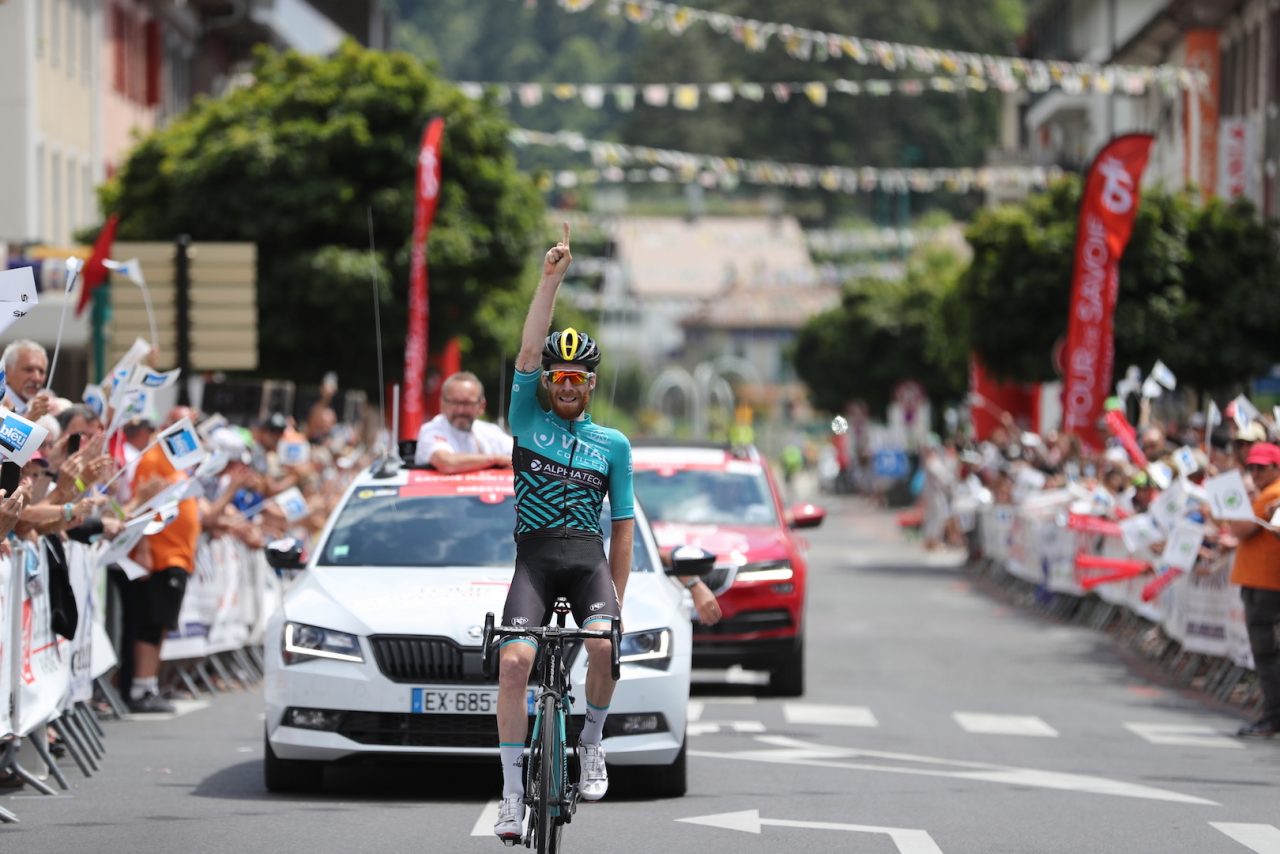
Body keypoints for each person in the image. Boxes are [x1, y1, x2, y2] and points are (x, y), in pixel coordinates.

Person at [493, 224, 634, 841]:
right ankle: (507, 793)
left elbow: (622, 527)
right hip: (535, 559)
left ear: (592, 384)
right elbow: (526, 351)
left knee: (602, 648)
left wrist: (618, 603)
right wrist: (549, 281)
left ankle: (592, 741)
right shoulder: (526, 416)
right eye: (560, 377)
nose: (568, 385)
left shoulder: (613, 445)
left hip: (588, 562)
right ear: (549, 383)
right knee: (514, 665)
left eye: (579, 378)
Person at [126, 407, 203, 713]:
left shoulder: (178, 460)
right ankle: (141, 688)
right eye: (180, 422)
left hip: (178, 555)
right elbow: (144, 503)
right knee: (151, 623)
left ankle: (150, 685)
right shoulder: (154, 456)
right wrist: (143, 548)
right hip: (161, 555)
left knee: (160, 625)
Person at [1224, 441, 1280, 737]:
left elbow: (1239, 529)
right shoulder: (1266, 495)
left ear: (1276, 468)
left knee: (1267, 654)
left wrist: (1238, 500)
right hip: (1261, 583)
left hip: (1266, 586)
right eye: (1252, 467)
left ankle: (1273, 717)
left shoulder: (1272, 494)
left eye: (1261, 468)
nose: (1255, 472)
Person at [413, 371, 513, 472]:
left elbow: (521, 455)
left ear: (482, 406)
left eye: (467, 403)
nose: (460, 410)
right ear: (442, 404)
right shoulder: (431, 430)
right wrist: (496, 460)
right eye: (454, 402)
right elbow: (447, 463)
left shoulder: (490, 432)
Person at [1, 339, 54, 420]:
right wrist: (29, 419)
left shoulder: (43, 413)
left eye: (41, 371)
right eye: (28, 370)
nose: (36, 378)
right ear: (7, 373)